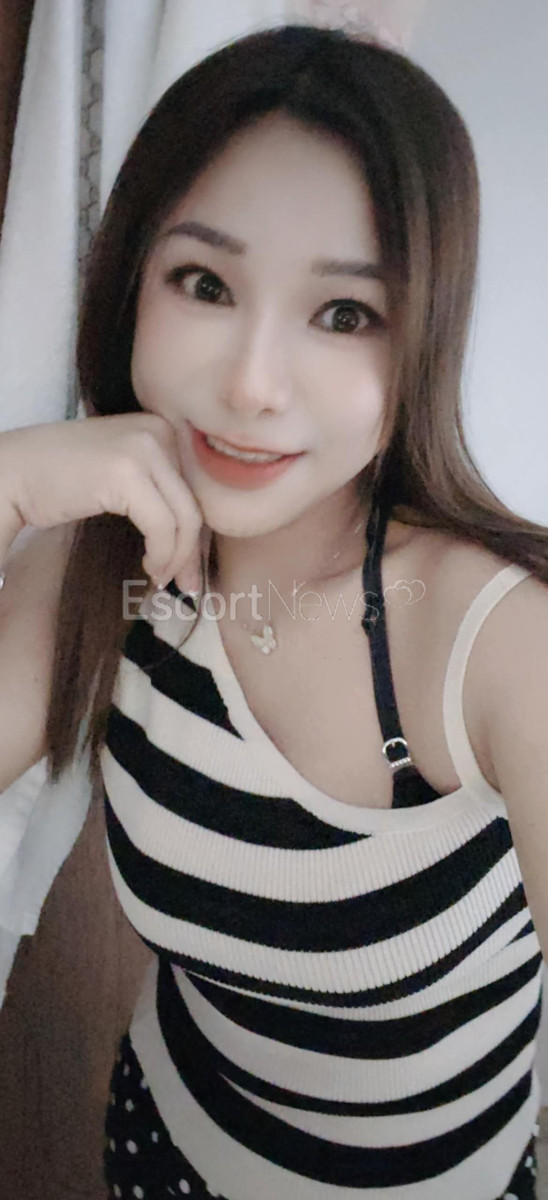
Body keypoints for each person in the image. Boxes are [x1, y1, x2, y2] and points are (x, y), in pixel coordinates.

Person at [0, 22, 547, 1200]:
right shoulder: (97, 568)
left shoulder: (491, 640)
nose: (251, 383)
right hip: (164, 1145)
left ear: (421, 339)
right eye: (204, 284)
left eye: (343, 314)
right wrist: (6, 485)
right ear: (131, 283)